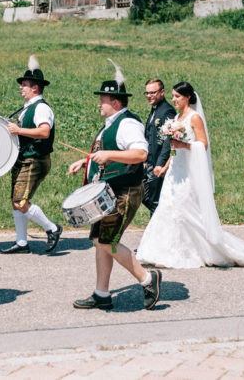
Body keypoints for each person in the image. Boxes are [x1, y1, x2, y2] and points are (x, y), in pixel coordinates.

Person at [137, 83, 244, 268]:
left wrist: (185, 145)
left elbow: (202, 144)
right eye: (173, 96)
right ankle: (162, 250)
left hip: (188, 170)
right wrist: (165, 166)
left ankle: (195, 250)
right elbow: (173, 148)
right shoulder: (177, 117)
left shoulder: (194, 118)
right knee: (167, 206)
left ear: (188, 97)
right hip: (175, 169)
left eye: (177, 96)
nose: (174, 100)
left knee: (183, 209)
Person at [67, 61, 162, 311]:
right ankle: (102, 293)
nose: (99, 103)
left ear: (116, 103)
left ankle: (148, 279)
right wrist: (85, 160)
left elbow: (141, 154)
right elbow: (106, 152)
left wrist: (109, 154)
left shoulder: (128, 124)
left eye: (103, 100)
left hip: (125, 191)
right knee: (100, 240)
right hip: (111, 191)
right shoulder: (112, 124)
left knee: (107, 241)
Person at [2, 55, 62, 255]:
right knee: (17, 201)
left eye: (25, 84)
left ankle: (52, 228)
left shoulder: (42, 108)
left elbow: (44, 132)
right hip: (25, 158)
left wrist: (18, 131)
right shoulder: (29, 107)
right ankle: (21, 242)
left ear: (35, 87)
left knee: (20, 201)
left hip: (34, 158)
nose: (21, 87)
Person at [141, 78, 176, 214]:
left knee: (154, 200)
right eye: (147, 93)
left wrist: (161, 163)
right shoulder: (154, 110)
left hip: (157, 164)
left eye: (153, 93)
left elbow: (168, 141)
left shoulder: (167, 111)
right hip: (149, 162)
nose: (149, 96)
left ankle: (160, 227)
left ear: (162, 92)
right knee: (146, 196)